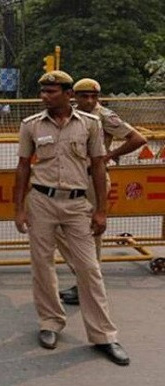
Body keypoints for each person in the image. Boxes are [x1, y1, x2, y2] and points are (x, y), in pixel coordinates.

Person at [14, 70, 129, 366]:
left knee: (89, 268)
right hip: (41, 201)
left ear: (67, 95)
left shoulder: (90, 125)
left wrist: (101, 210)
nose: (45, 96)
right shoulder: (31, 126)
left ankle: (104, 335)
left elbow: (99, 166)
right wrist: (19, 207)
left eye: (51, 92)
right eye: (43, 91)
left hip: (78, 204)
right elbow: (23, 167)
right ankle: (50, 322)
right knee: (42, 265)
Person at [56, 78, 147, 305]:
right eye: (84, 96)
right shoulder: (71, 114)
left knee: (92, 234)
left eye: (94, 96)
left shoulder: (104, 116)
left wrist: (108, 156)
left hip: (92, 181)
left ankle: (88, 286)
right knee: (59, 228)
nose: (89, 100)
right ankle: (85, 280)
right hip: (70, 181)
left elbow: (137, 138)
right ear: (73, 96)